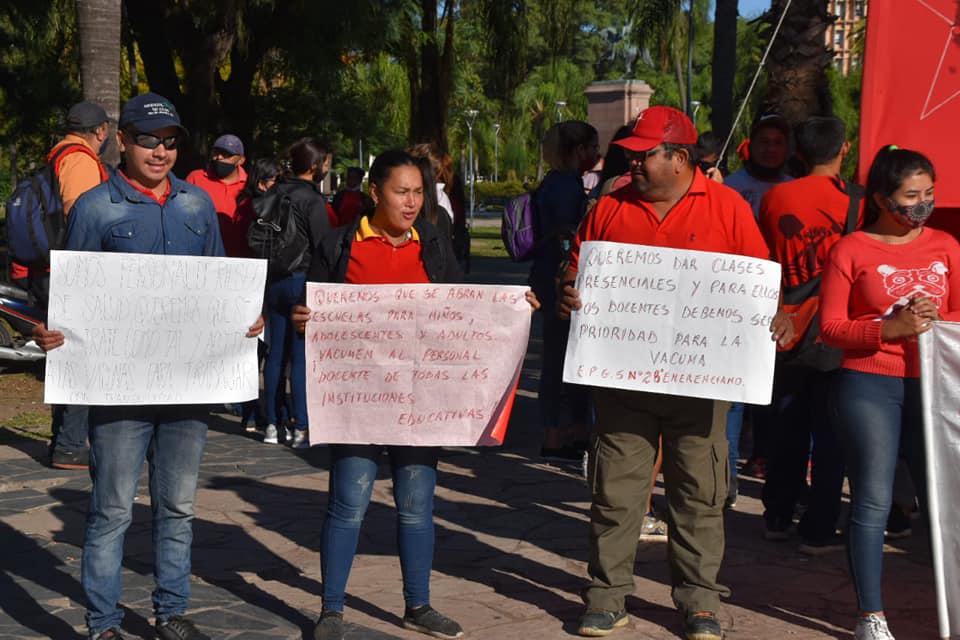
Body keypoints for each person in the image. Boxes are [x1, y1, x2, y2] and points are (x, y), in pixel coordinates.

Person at [31, 92, 264, 640]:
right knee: (112, 510)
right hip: (119, 395)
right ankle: (103, 623)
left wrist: (243, 319)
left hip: (187, 390)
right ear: (123, 142)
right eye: (147, 140)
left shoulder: (196, 206)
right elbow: (73, 295)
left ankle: (171, 612)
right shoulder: (95, 207)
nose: (159, 151)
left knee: (178, 507)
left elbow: (218, 283)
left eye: (170, 141)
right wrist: (53, 332)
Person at [558, 106, 792, 640]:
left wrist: (777, 315)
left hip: (702, 386)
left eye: (643, 155)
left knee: (699, 495)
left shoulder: (728, 208)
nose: (632, 164)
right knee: (615, 494)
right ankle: (606, 597)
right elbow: (574, 267)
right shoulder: (608, 208)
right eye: (630, 155)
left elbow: (760, 283)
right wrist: (568, 290)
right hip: (622, 383)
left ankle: (699, 602)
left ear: (680, 158)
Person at [290, 149, 539, 640]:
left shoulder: (434, 242)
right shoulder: (340, 244)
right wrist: (304, 319)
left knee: (416, 504)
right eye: (401, 192)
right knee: (348, 502)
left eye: (418, 192)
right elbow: (312, 307)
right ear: (375, 192)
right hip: (359, 402)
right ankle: (332, 611)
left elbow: (463, 308)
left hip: (421, 402)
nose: (411, 202)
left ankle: (418, 605)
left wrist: (515, 308)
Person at [820, 145, 960, 640]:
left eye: (929, 194)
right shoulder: (851, 249)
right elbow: (831, 327)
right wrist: (889, 329)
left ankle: (950, 601)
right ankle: (871, 615)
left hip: (937, 387)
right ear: (880, 197)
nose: (921, 205)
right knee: (874, 501)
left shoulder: (946, 245)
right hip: (870, 384)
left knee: (944, 500)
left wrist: (940, 321)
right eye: (910, 196)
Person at [757, 116, 862, 550]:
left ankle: (778, 513)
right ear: (845, 148)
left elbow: (765, 260)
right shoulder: (857, 202)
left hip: (788, 324)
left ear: (798, 152)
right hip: (838, 329)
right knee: (831, 431)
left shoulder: (776, 196)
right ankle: (819, 525)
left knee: (788, 424)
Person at [44, 101, 112, 471]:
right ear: (100, 131)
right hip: (74, 270)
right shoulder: (80, 160)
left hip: (57, 268)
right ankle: (71, 444)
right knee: (82, 355)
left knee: (67, 352)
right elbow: (81, 212)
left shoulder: (56, 153)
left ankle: (63, 440)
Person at [532, 121, 599, 462]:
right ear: (577, 151)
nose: (596, 155)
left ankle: (560, 431)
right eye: (591, 148)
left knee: (557, 359)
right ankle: (559, 433)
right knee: (563, 360)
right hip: (560, 283)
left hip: (546, 278)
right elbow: (566, 237)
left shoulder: (552, 183)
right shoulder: (567, 188)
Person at [261, 138, 333, 448]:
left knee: (275, 355)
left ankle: (272, 424)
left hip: (273, 278)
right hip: (302, 280)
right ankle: (301, 426)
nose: (328, 167)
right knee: (301, 357)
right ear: (316, 166)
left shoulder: (274, 191)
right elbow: (324, 245)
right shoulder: (312, 200)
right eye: (326, 163)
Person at [186, 134, 248, 257]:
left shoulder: (249, 185)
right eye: (216, 152)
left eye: (227, 154)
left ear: (241, 160)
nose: (219, 157)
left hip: (239, 259)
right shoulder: (196, 178)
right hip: (202, 255)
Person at [724, 113, 793, 217]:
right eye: (764, 141)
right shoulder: (730, 188)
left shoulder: (795, 189)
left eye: (778, 142)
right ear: (751, 145)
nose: (771, 149)